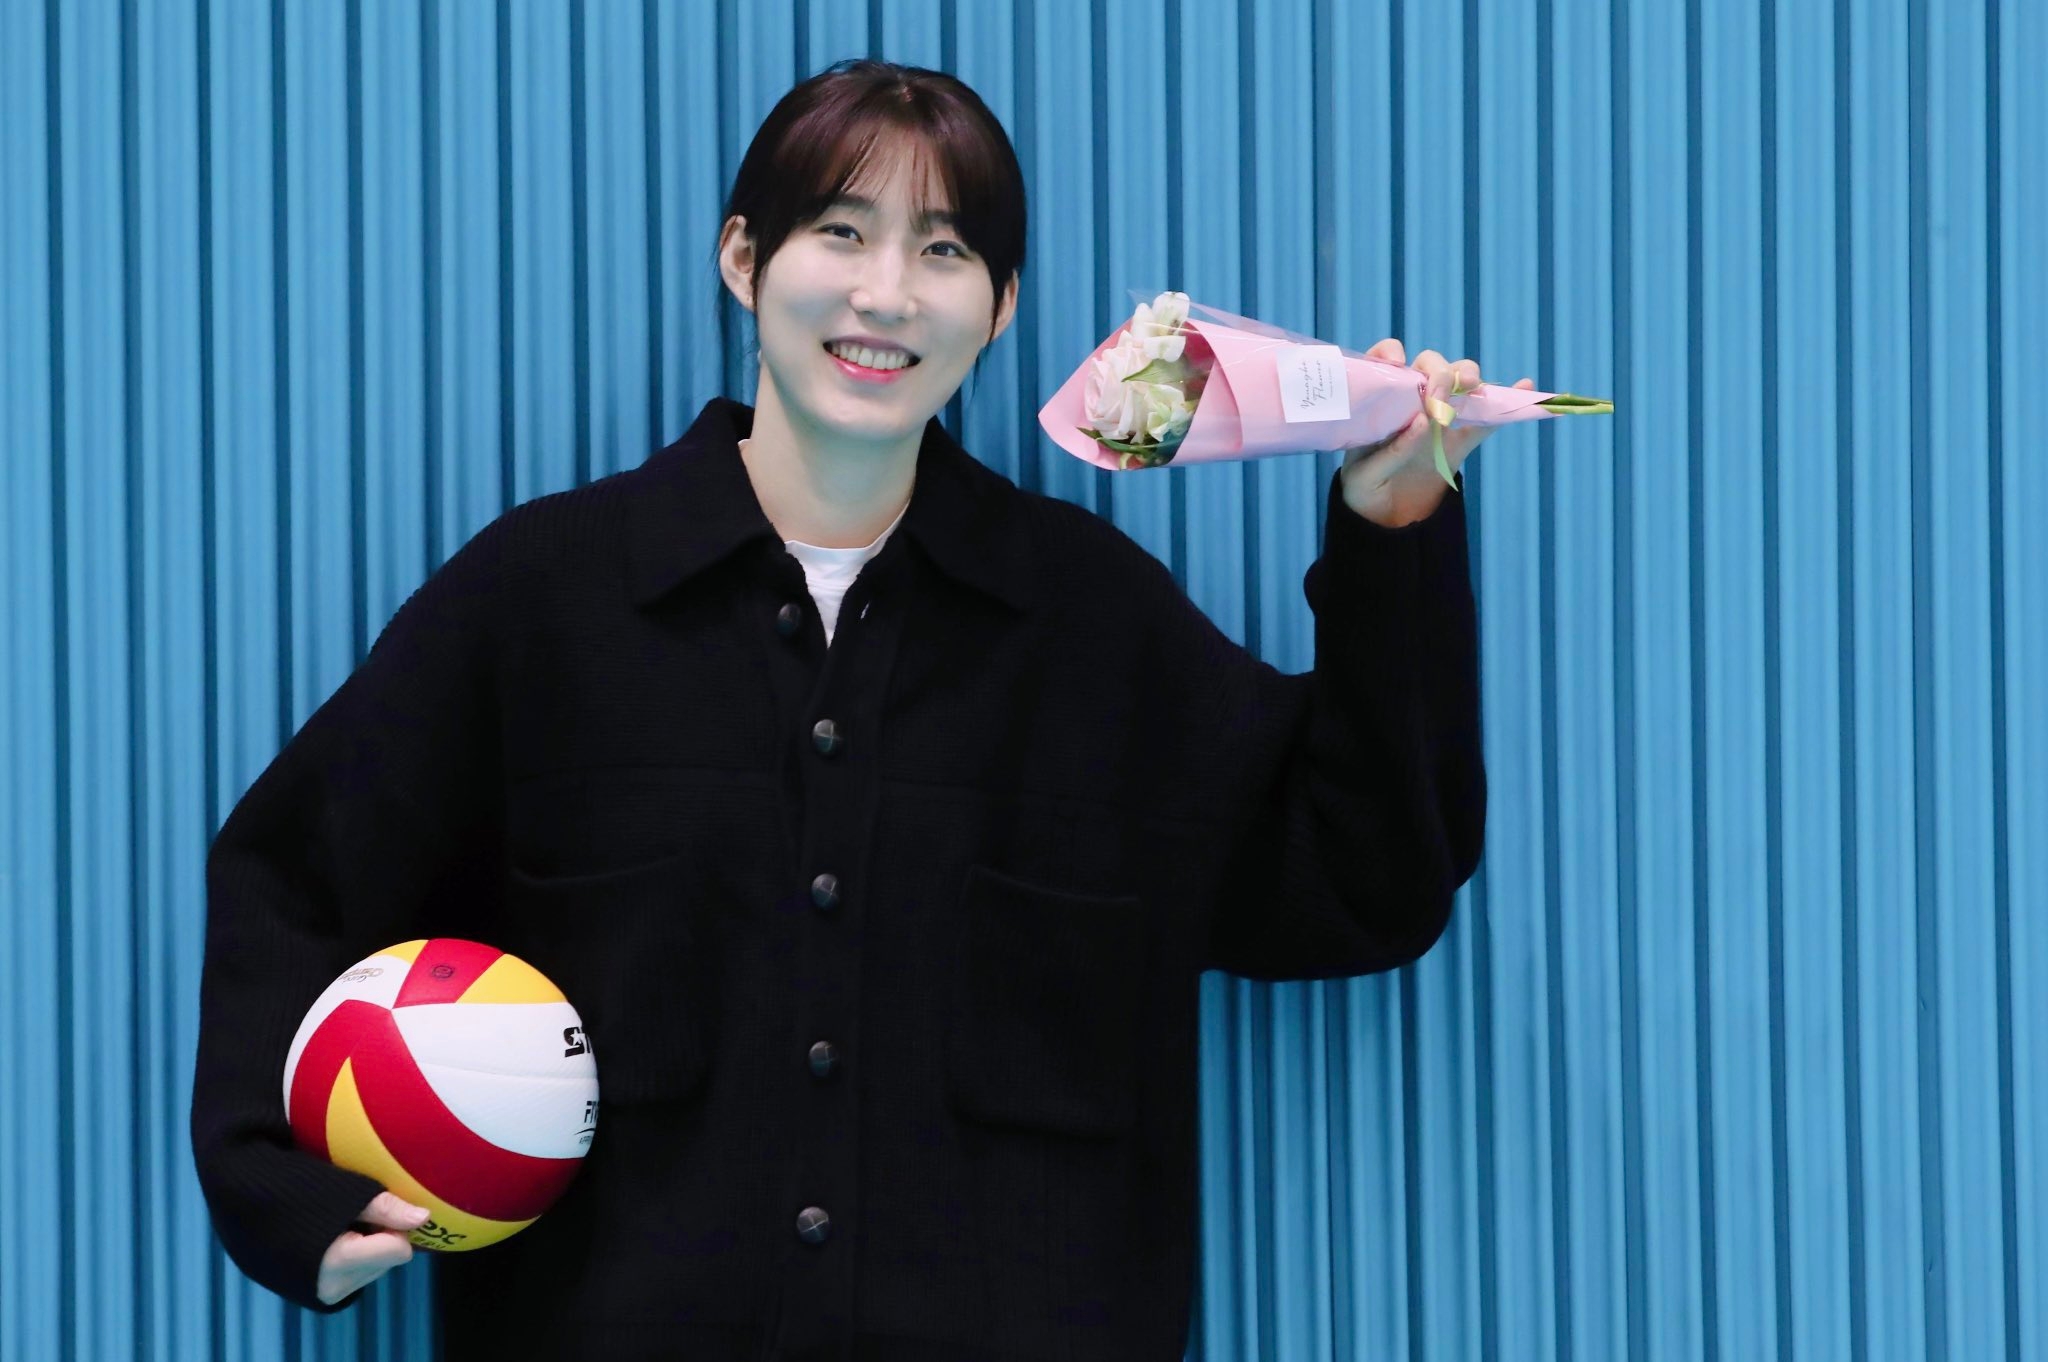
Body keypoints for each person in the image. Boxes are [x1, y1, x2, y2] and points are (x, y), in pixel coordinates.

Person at [191, 57, 1512, 1362]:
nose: (887, 293)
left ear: (999, 308)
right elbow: (302, 871)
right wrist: (278, 1185)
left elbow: (1362, 876)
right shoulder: (546, 598)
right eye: (840, 231)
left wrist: (1391, 532)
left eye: (944, 250)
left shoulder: (1093, 622)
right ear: (743, 258)